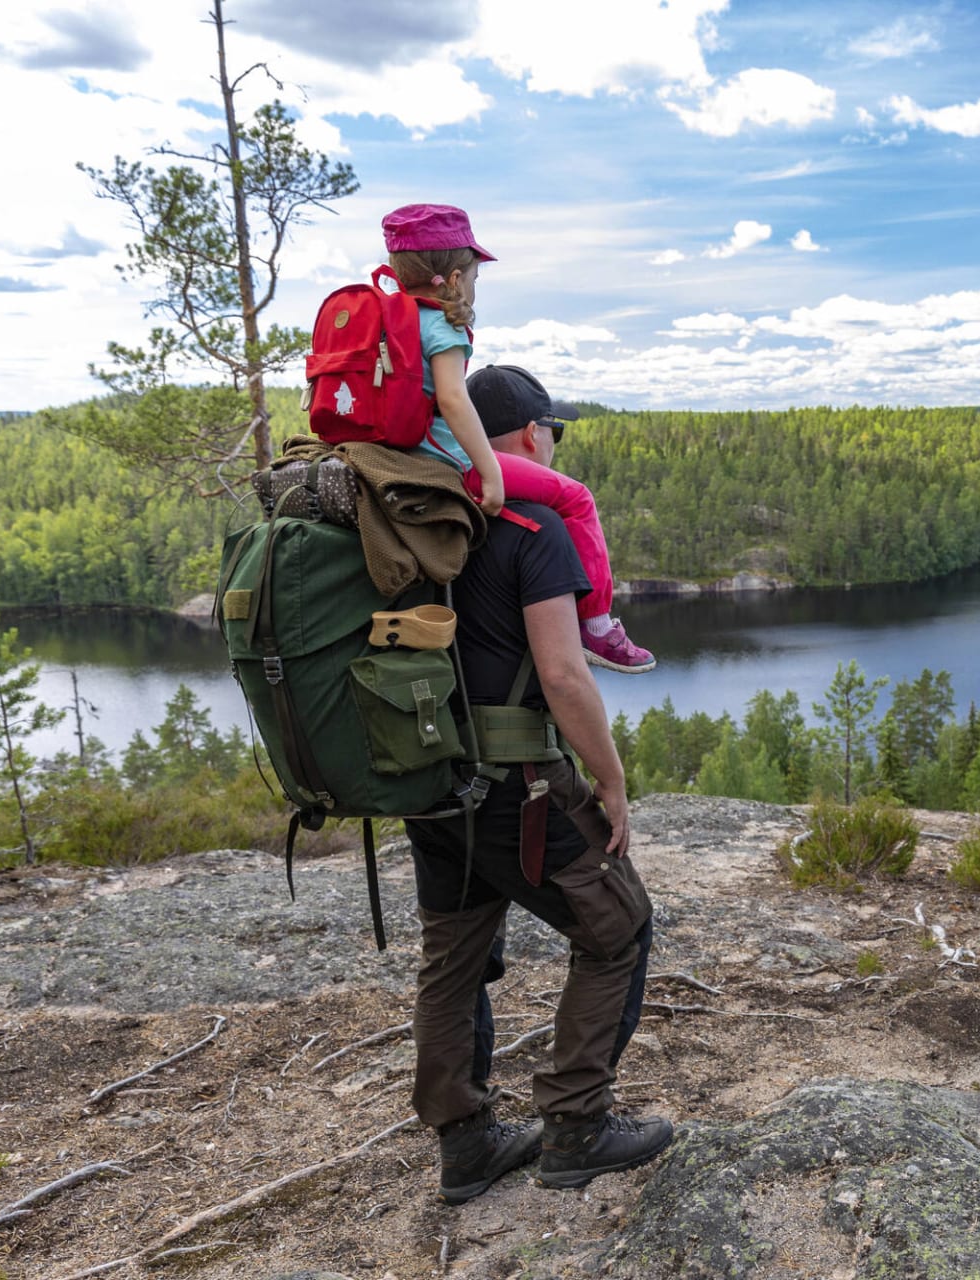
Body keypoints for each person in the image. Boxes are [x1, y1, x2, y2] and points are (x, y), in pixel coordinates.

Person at [403, 365, 675, 1204]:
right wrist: (611, 776)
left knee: (454, 956)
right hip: (515, 784)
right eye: (551, 429)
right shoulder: (533, 527)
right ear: (529, 438)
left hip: (427, 780)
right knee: (618, 926)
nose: (552, 442)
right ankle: (576, 1126)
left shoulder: (416, 522)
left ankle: (466, 1143)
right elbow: (563, 674)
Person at [379, 202, 656, 674]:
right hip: (442, 463)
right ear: (454, 276)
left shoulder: (384, 317)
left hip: (390, 458)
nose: (473, 285)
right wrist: (487, 470)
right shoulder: (442, 324)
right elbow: (452, 398)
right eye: (473, 274)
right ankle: (598, 627)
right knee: (576, 498)